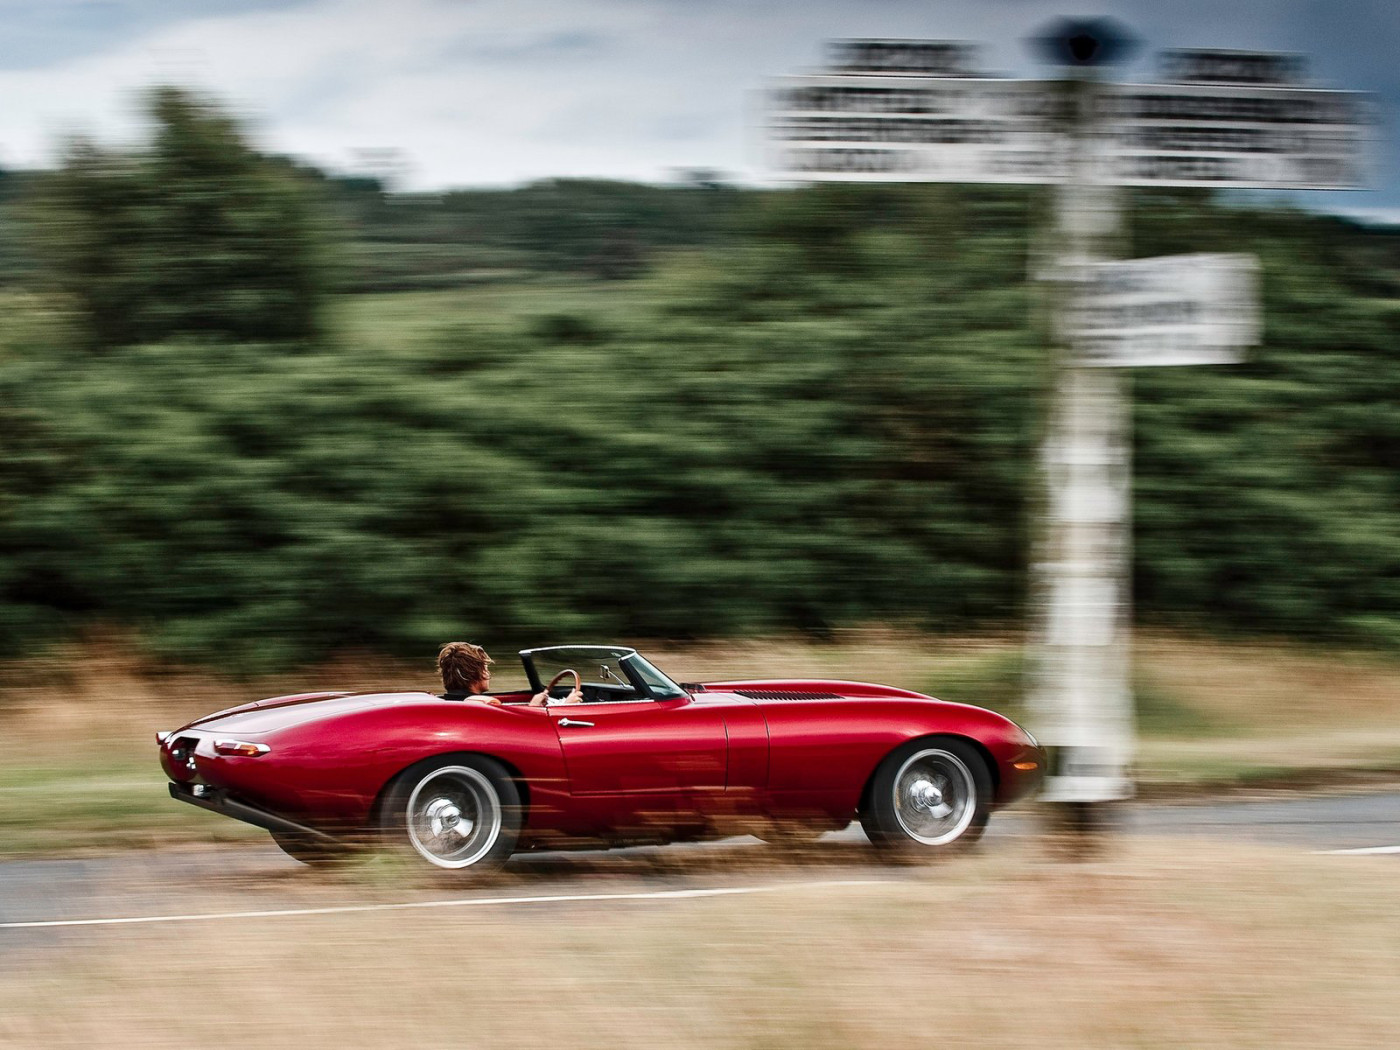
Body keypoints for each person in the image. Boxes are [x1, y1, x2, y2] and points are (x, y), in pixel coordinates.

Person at [437, 642, 581, 706]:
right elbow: (516, 733)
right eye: (485, 668)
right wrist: (566, 705)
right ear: (477, 673)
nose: (488, 673)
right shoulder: (484, 705)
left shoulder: (445, 702)